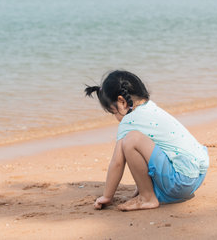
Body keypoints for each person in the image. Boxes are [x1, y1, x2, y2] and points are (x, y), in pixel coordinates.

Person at [85, 70, 209, 211]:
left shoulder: (128, 121)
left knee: (131, 140)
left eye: (114, 112)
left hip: (181, 182)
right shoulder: (152, 108)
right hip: (197, 177)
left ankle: (147, 197)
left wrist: (107, 196)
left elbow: (117, 163)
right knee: (143, 141)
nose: (116, 117)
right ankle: (147, 190)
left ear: (122, 101)